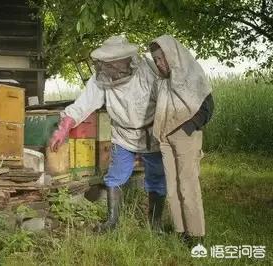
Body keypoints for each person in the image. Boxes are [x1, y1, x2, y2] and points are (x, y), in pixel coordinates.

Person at [49, 36, 167, 232]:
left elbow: (166, 99)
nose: (112, 68)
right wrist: (64, 127)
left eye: (116, 62)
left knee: (157, 177)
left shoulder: (148, 70)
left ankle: (155, 224)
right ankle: (112, 222)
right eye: (108, 63)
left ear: (127, 58)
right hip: (122, 135)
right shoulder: (101, 78)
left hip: (152, 133)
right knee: (116, 176)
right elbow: (83, 104)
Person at [149, 35, 214, 245]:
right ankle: (181, 231)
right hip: (166, 137)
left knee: (188, 186)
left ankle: (196, 236)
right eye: (156, 59)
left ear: (172, 54)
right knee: (172, 186)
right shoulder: (163, 82)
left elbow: (207, 107)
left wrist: (188, 127)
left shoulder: (192, 75)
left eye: (162, 58)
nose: (159, 63)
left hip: (185, 136)